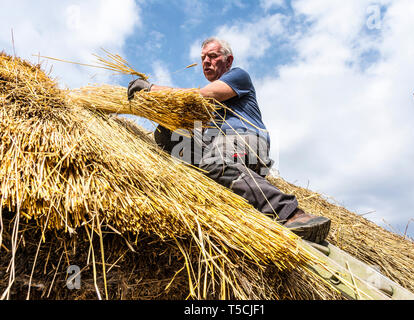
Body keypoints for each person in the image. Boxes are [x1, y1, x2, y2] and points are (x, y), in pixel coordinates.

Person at [127, 37, 331, 244]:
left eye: (213, 56)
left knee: (216, 161)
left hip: (246, 139)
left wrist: (151, 89)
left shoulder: (238, 76)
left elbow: (202, 95)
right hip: (217, 145)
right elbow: (187, 115)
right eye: (203, 58)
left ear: (228, 60)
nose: (206, 61)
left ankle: (291, 212)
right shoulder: (207, 109)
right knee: (167, 133)